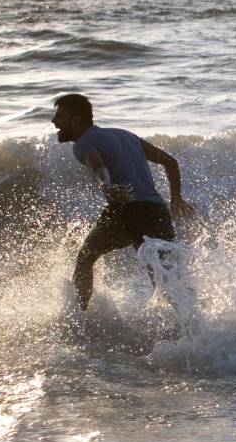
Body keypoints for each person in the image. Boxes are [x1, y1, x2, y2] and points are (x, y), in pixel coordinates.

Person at [51, 93, 195, 311]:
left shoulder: (83, 143)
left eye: (60, 116)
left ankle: (80, 317)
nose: (54, 122)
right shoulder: (126, 135)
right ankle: (193, 327)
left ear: (76, 119)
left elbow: (98, 167)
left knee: (85, 258)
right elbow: (170, 161)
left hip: (126, 210)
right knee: (164, 275)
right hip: (157, 210)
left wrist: (105, 185)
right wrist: (176, 198)